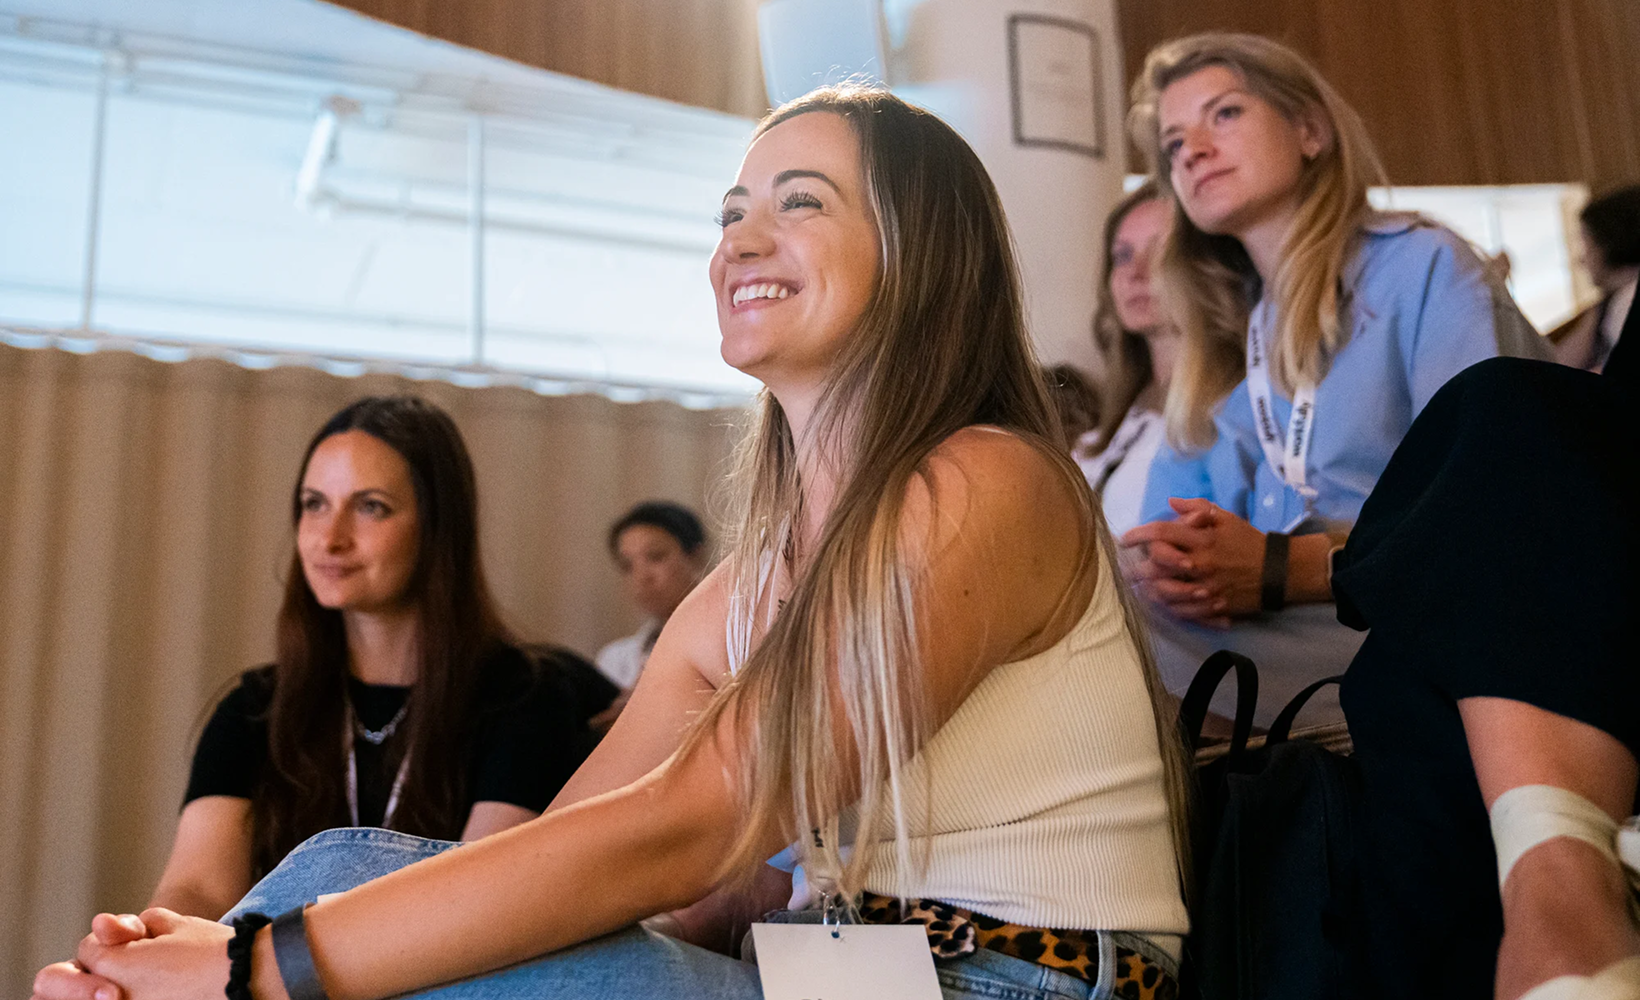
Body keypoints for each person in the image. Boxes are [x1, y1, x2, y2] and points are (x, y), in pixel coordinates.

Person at [36, 85, 1192, 1000]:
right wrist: (217, 946)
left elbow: (692, 822)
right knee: (352, 872)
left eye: (798, 201)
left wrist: (252, 963)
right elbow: (570, 842)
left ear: (921, 251)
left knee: (335, 890)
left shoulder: (988, 480)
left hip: (1014, 981)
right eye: (729, 212)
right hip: (830, 973)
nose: (741, 238)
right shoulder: (760, 576)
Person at [1119, 33, 1547, 726]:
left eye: (1223, 114)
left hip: (1437, 624)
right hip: (1298, 637)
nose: (1191, 150)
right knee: (1109, 602)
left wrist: (1279, 567)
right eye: (1172, 145)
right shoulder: (1235, 339)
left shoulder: (1423, 267)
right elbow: (1168, 531)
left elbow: (1490, 511)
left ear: (1310, 130)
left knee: (1104, 633)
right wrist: (1171, 562)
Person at [143, 395, 591, 920]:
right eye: (314, 504)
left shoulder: (524, 698)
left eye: (370, 506)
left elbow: (476, 905)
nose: (330, 539)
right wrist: (142, 943)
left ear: (437, 527)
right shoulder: (252, 709)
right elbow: (196, 891)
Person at [1334, 337, 1638, 998]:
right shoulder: (1218, 376)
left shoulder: (1427, 266)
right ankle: (1562, 881)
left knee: (1506, 408)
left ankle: (1557, 884)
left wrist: (1281, 569)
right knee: (1407, 682)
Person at [1076, 181, 1240, 538]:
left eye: (1161, 252)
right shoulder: (1116, 418)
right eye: (1122, 255)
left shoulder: (1236, 410)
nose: (1136, 272)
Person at [591, 501, 710, 730]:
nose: (641, 576)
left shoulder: (735, 644)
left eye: (655, 557)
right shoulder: (614, 658)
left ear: (696, 557)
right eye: (627, 566)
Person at [1549, 184, 1639, 372]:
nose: (1581, 260)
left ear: (1609, 243)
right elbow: (1557, 367)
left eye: (1586, 245)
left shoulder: (1627, 302)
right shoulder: (1613, 302)